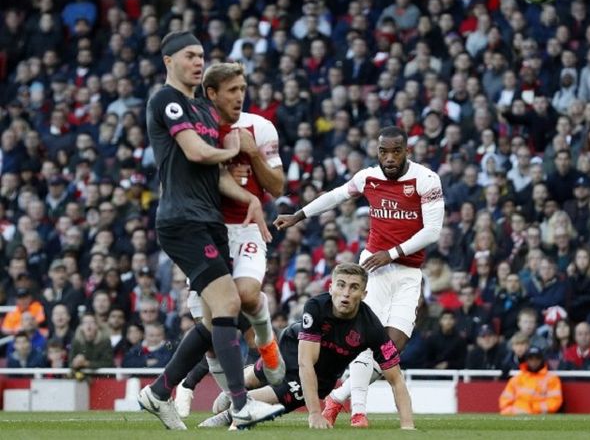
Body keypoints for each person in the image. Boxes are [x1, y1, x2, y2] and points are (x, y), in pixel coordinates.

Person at [138, 30, 276, 430]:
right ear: (169, 61)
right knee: (230, 303)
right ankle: (240, 405)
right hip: (181, 220)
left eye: (201, 56)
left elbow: (215, 175)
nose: (198, 62)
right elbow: (196, 152)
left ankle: (160, 391)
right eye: (189, 56)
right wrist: (236, 149)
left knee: (215, 315)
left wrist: (249, 198)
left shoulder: (201, 108)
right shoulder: (166, 100)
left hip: (208, 220)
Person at [274, 126, 444, 427]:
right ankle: (358, 413)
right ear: (376, 151)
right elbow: (335, 196)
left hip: (407, 271)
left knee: (394, 345)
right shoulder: (368, 177)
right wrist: (298, 216)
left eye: (396, 151)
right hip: (373, 269)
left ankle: (339, 398)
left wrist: (391, 253)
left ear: (408, 151)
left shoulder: (426, 179)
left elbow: (432, 231)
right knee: (366, 340)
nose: (389, 158)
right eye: (383, 151)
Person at [174, 62, 286, 417]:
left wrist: (251, 154)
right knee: (211, 329)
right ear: (211, 93)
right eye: (232, 90)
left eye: (242, 88)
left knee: (248, 295)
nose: (240, 96)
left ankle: (266, 341)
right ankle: (236, 408)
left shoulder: (261, 127)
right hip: (206, 231)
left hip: (248, 227)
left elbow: (278, 186)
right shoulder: (194, 131)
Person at [197, 263, 414, 430]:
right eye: (341, 285)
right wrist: (314, 413)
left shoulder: (372, 327)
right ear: (331, 288)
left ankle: (230, 413)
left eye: (354, 287)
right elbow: (305, 362)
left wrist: (407, 427)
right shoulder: (316, 306)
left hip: (322, 378)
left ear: (364, 295)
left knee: (282, 394)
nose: (346, 293)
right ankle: (236, 389)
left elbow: (396, 379)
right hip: (296, 347)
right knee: (261, 373)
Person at [499, 346, 563, 415]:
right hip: (516, 415)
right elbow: (504, 401)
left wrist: (531, 409)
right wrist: (513, 411)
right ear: (526, 360)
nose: (534, 362)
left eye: (537, 358)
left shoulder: (552, 379)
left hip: (539, 417)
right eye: (530, 359)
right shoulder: (516, 379)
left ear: (542, 360)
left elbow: (554, 402)